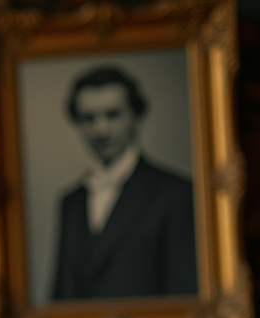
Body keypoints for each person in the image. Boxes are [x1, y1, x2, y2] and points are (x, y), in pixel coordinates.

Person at [51, 65, 198, 300]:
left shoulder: (175, 194)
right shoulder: (70, 202)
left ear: (135, 116)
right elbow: (61, 296)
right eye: (89, 118)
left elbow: (183, 295)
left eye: (112, 115)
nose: (101, 130)